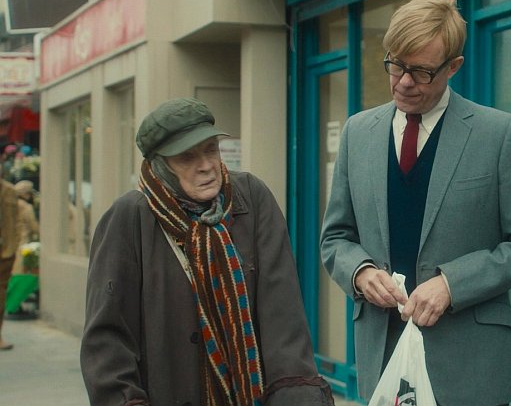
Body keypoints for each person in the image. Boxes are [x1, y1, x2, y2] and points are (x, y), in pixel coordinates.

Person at [320, 0, 511, 406]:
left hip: (471, 370)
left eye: (422, 71)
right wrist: (360, 272)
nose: (403, 82)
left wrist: (452, 283)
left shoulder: (497, 134)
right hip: (383, 362)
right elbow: (335, 237)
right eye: (396, 65)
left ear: (453, 67)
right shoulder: (358, 133)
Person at [81, 98, 334, 406]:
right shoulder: (130, 217)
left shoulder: (251, 198)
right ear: (160, 166)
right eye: (187, 157)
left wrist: (295, 395)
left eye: (211, 149)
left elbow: (283, 311)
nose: (206, 165)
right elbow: (108, 337)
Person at [0, 165, 20, 350]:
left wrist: (14, 246)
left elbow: (16, 220)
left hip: (5, 251)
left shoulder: (9, 191)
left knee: (1, 295)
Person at [13, 180, 39, 274]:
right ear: (26, 194)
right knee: (19, 270)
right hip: (23, 242)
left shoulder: (11, 204)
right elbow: (34, 227)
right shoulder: (26, 207)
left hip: (10, 243)